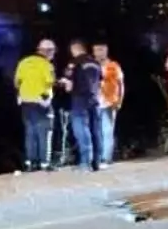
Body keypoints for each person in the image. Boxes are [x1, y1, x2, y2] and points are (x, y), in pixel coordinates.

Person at [13, 38, 57, 171]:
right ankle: (44, 164)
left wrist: (22, 95)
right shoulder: (46, 65)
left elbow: (17, 82)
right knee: (44, 134)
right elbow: (50, 83)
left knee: (30, 134)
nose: (53, 55)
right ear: (48, 52)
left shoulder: (23, 62)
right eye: (53, 51)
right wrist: (45, 98)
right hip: (41, 104)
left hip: (25, 104)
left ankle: (30, 163)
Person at [67, 39, 102, 170]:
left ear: (74, 49)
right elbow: (99, 82)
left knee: (81, 130)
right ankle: (96, 163)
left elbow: (69, 85)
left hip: (79, 100)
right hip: (94, 99)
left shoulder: (74, 63)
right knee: (95, 130)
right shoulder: (95, 63)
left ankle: (85, 162)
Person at [93, 41, 125, 168]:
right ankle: (98, 157)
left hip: (109, 102)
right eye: (96, 50)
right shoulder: (92, 65)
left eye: (101, 49)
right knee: (97, 131)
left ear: (106, 51)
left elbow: (121, 84)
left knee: (107, 131)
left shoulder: (113, 66)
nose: (99, 52)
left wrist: (120, 100)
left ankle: (106, 158)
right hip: (94, 103)